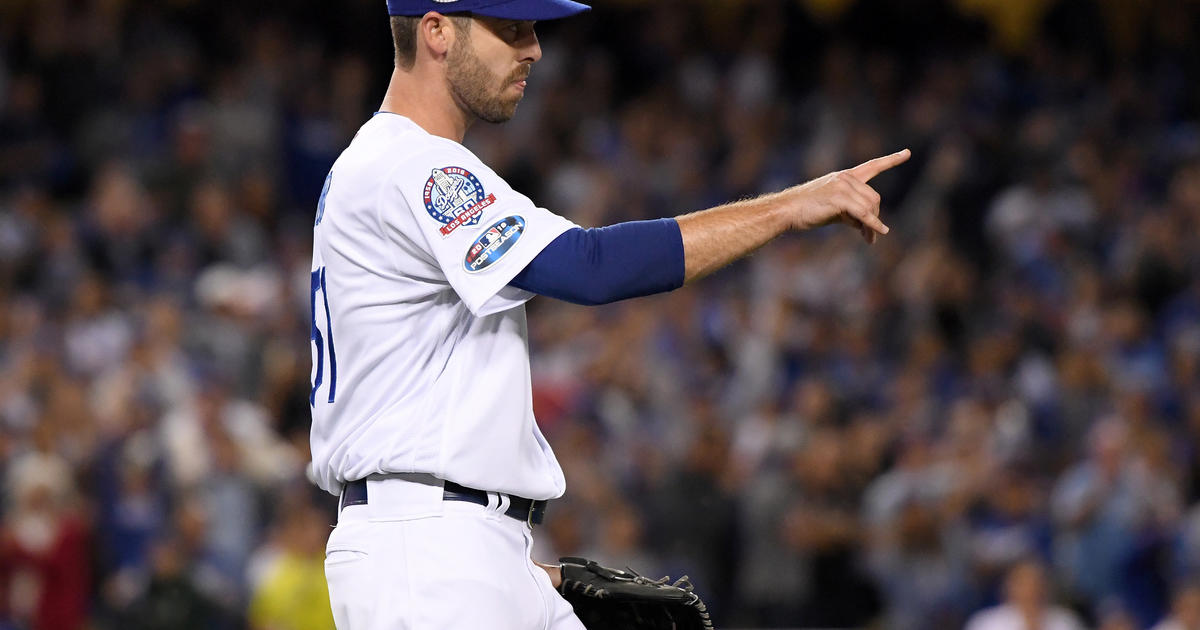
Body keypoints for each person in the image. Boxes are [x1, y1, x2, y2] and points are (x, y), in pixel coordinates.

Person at [308, 1, 909, 628]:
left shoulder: (376, 164)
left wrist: (510, 566)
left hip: (454, 543)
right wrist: (790, 207)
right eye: (511, 29)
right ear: (436, 32)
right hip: (428, 549)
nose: (534, 48)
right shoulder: (413, 164)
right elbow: (588, 266)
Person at [964, 560, 1085, 630]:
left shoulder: (1065, 622)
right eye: (1023, 583)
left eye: (1037, 583)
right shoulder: (986, 623)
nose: (1031, 590)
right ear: (1008, 588)